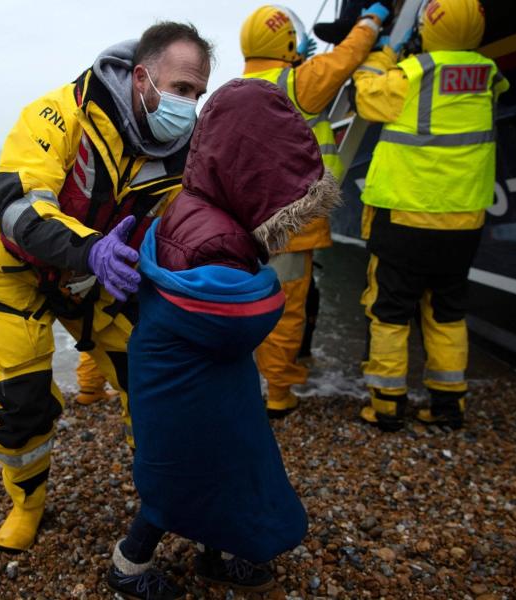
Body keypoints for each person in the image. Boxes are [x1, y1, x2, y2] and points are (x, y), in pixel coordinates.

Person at [0, 22, 213, 553]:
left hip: (102, 278)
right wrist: (91, 249)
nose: (189, 104)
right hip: (17, 270)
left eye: (198, 94)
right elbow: (18, 205)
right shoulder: (59, 113)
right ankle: (26, 505)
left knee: (152, 387)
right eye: (181, 89)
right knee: (23, 402)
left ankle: (158, 496)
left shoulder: (184, 152)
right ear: (142, 77)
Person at [108, 78, 341, 599]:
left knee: (211, 467)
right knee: (181, 479)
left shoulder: (189, 204)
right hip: (189, 384)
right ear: (248, 171)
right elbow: (239, 315)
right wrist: (269, 285)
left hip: (182, 373)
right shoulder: (216, 235)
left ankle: (216, 553)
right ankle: (128, 566)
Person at [353, 0, 508, 431]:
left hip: (406, 216)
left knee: (390, 310)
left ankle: (386, 403)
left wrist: (385, 53)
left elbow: (365, 95)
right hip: (463, 222)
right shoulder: (490, 77)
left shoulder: (413, 74)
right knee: (447, 311)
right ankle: (448, 404)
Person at [239, 3, 389, 417]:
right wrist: (370, 22)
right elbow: (348, 56)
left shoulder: (234, 91)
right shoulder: (299, 82)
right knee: (286, 311)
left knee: (247, 303)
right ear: (287, 40)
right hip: (291, 227)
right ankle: (279, 394)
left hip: (245, 225)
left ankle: (244, 380)